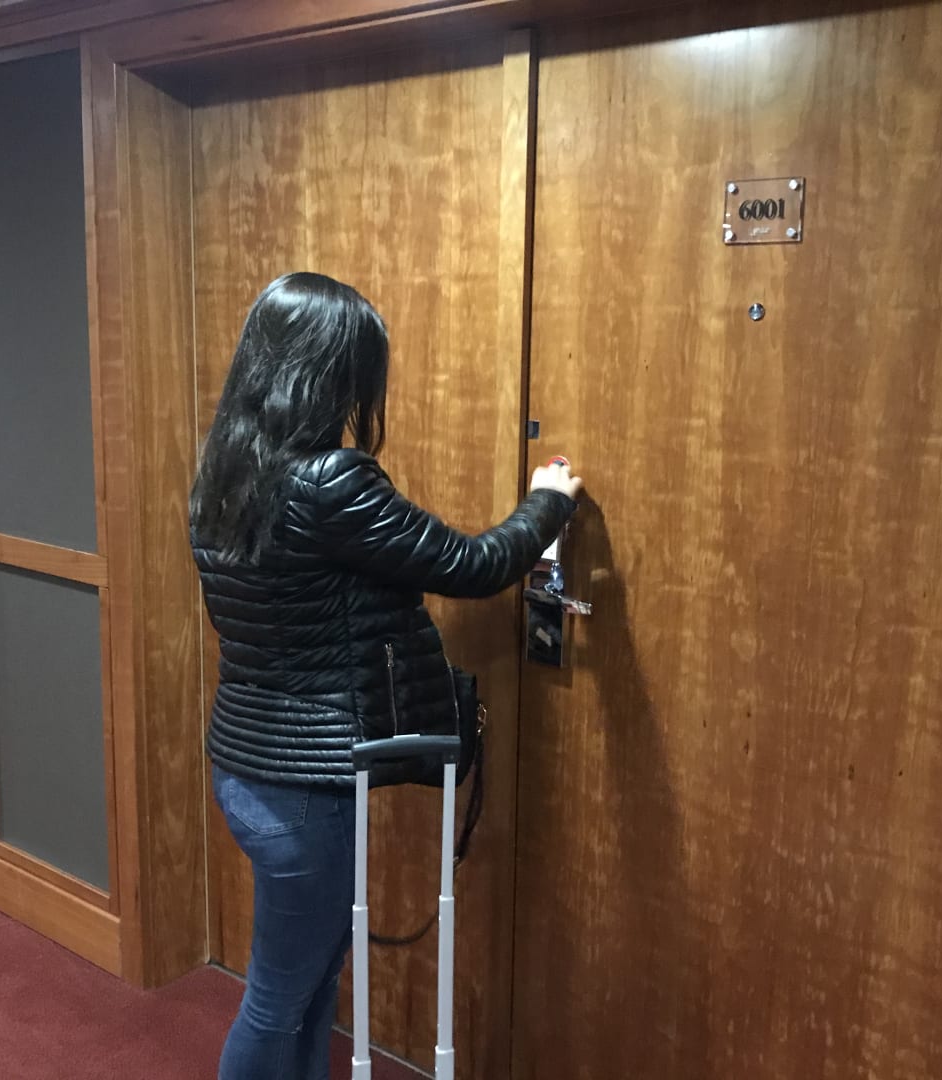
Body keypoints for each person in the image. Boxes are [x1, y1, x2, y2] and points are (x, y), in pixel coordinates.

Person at [189, 271, 582, 1080]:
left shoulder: (225, 471)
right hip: (305, 790)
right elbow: (472, 565)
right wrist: (548, 503)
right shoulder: (328, 482)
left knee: (307, 988)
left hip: (249, 769)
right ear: (329, 373)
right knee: (279, 998)